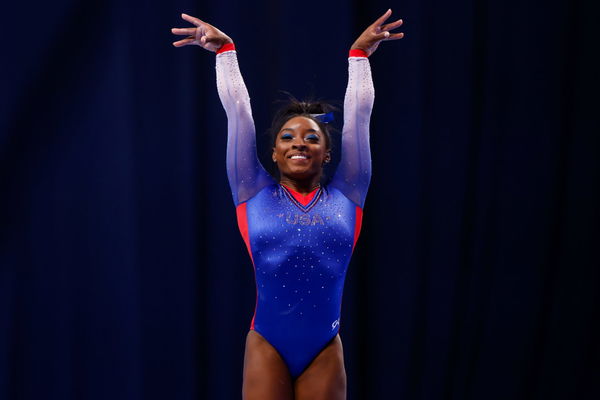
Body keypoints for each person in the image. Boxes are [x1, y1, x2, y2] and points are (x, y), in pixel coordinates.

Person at [172, 9, 403, 400]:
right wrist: (225, 52)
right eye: (287, 137)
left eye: (312, 138)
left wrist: (359, 57)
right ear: (274, 153)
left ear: (328, 154)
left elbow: (360, 116)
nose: (299, 142)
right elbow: (238, 113)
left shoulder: (349, 192)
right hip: (267, 344)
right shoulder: (251, 189)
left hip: (325, 348)